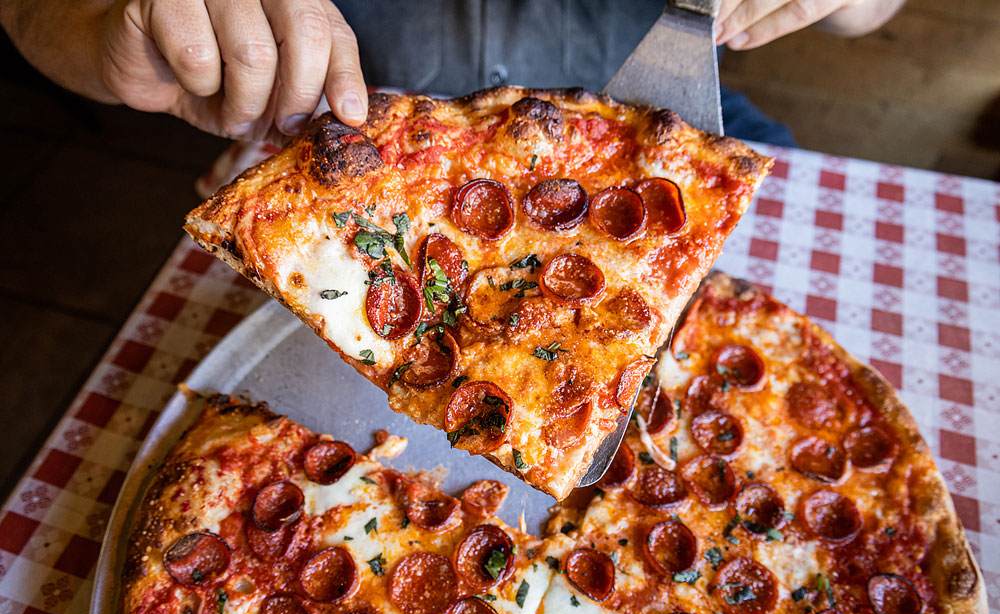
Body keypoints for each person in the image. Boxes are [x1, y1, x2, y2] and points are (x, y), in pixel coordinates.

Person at [0, 0, 904, 146]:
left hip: (659, 137)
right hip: (343, 146)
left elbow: (876, 15)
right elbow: (29, 13)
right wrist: (113, 32)